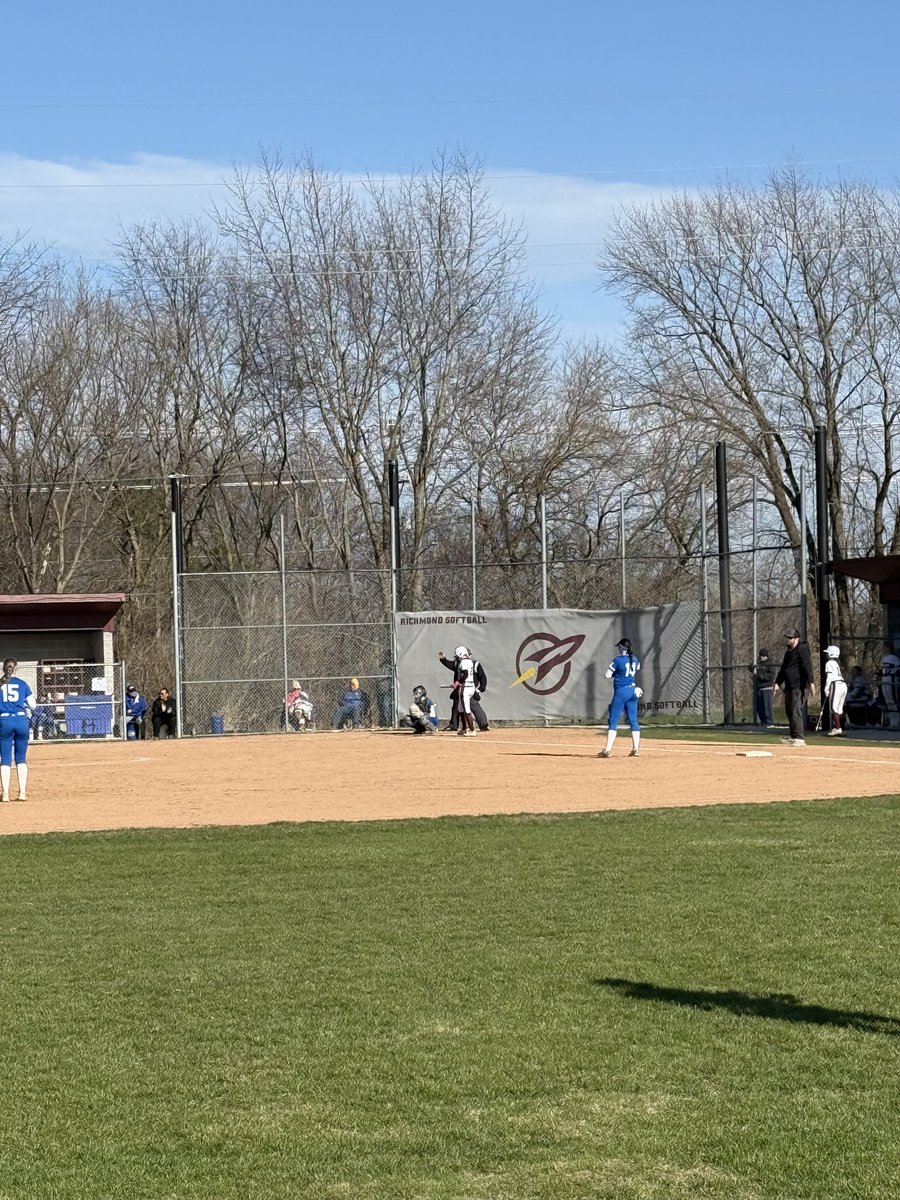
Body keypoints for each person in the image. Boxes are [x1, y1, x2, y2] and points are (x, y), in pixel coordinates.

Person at [598, 637, 642, 758]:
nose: (618, 649)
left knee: (613, 720)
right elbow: (637, 668)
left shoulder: (618, 660)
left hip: (622, 691)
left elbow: (607, 675)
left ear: (622, 648)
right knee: (633, 720)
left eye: (619, 647)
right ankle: (636, 749)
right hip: (633, 691)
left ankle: (607, 750)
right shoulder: (634, 658)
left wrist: (617, 673)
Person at [0, 658, 36, 801]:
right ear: (16, 669)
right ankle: (22, 793)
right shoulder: (22, 684)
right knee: (21, 758)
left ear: (3, 668)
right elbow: (33, 705)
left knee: (5, 759)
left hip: (4, 721)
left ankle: (5, 794)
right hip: (21, 720)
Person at [774, 629, 815, 746]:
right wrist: (777, 683)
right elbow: (783, 669)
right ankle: (793, 736)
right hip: (790, 686)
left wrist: (811, 682)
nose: (788, 640)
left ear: (796, 639)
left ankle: (799, 737)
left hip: (799, 686)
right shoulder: (789, 653)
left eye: (790, 638)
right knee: (789, 710)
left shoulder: (802, 650)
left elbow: (807, 666)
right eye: (787, 637)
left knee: (795, 710)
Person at [438, 646, 487, 737]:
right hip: (467, 687)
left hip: (466, 688)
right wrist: (443, 660)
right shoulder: (468, 662)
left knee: (467, 709)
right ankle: (464, 728)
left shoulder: (464, 662)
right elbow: (454, 666)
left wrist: (457, 683)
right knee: (460, 708)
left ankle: (473, 729)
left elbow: (466, 674)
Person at [823, 645, 848, 737]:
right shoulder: (836, 663)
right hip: (843, 684)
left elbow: (829, 677)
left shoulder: (829, 663)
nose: (826, 655)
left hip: (836, 684)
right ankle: (842, 728)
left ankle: (837, 728)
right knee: (840, 708)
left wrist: (826, 688)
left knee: (834, 708)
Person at [750, 648, 776, 727]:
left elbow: (771, 676)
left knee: (767, 706)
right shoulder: (758, 663)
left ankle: (769, 722)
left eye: (763, 656)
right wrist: (753, 664)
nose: (761, 657)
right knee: (759, 707)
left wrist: (763, 677)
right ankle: (763, 721)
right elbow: (750, 668)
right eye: (760, 656)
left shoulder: (770, 664)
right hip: (759, 688)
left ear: (766, 656)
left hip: (767, 688)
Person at [879, 644, 900, 729]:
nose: (883, 649)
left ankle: (896, 722)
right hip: (884, 679)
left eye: (885, 647)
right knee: (887, 700)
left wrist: (895, 675)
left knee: (893, 699)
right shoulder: (884, 658)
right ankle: (892, 722)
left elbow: (898, 668)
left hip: (891, 678)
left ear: (889, 647)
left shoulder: (894, 658)